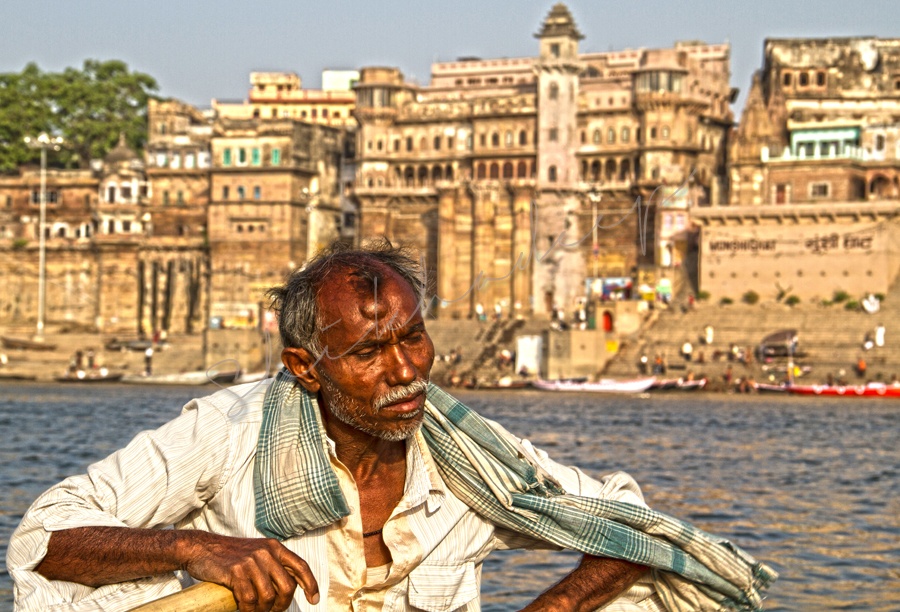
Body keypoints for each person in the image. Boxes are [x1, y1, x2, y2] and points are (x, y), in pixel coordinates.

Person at [8, 240, 774, 612]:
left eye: (412, 337)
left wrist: (558, 607)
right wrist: (196, 546)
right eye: (370, 351)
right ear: (307, 368)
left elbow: (628, 521)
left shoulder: (467, 456)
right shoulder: (230, 430)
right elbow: (43, 539)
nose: (406, 370)